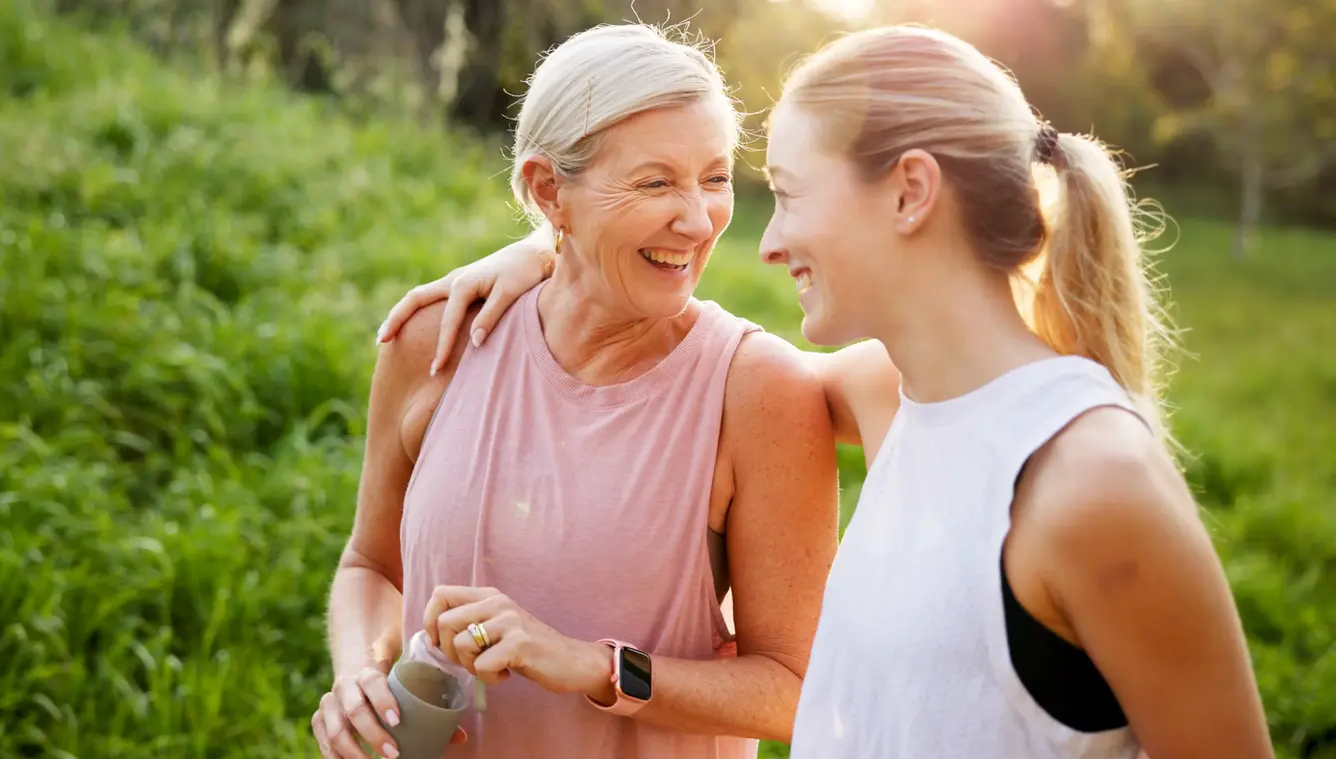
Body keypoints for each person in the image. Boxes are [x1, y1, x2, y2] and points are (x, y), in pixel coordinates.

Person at [375, 24, 1275, 759]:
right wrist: (552, 247)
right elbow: (662, 363)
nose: (764, 243)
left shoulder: (1089, 486)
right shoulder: (897, 396)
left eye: (792, 196)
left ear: (911, 193)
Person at [313, 23, 841, 759]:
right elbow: (371, 566)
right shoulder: (434, 341)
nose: (698, 220)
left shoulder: (758, 389)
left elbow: (798, 688)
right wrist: (359, 676)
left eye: (714, 177)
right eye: (655, 182)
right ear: (546, 189)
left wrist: (597, 665)